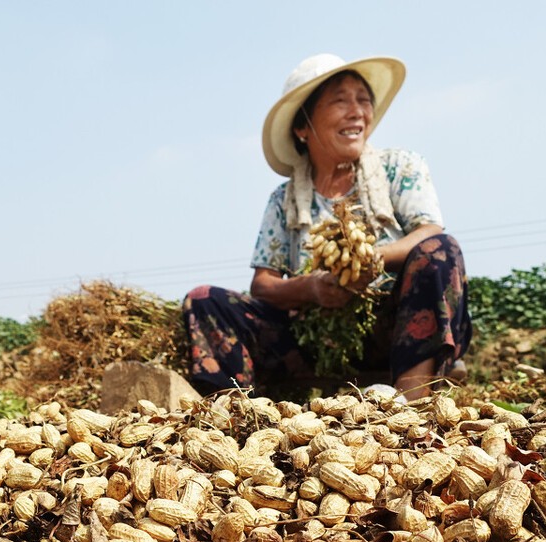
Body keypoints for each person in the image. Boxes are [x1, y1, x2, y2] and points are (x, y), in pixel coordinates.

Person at [183, 53, 471, 401]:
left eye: (363, 101)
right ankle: (234, 415)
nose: (357, 112)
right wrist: (312, 288)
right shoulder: (283, 200)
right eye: (340, 101)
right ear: (303, 127)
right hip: (312, 341)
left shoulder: (399, 166)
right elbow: (263, 284)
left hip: (393, 329)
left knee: (440, 249)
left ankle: (411, 404)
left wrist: (371, 259)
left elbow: (429, 231)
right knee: (204, 300)